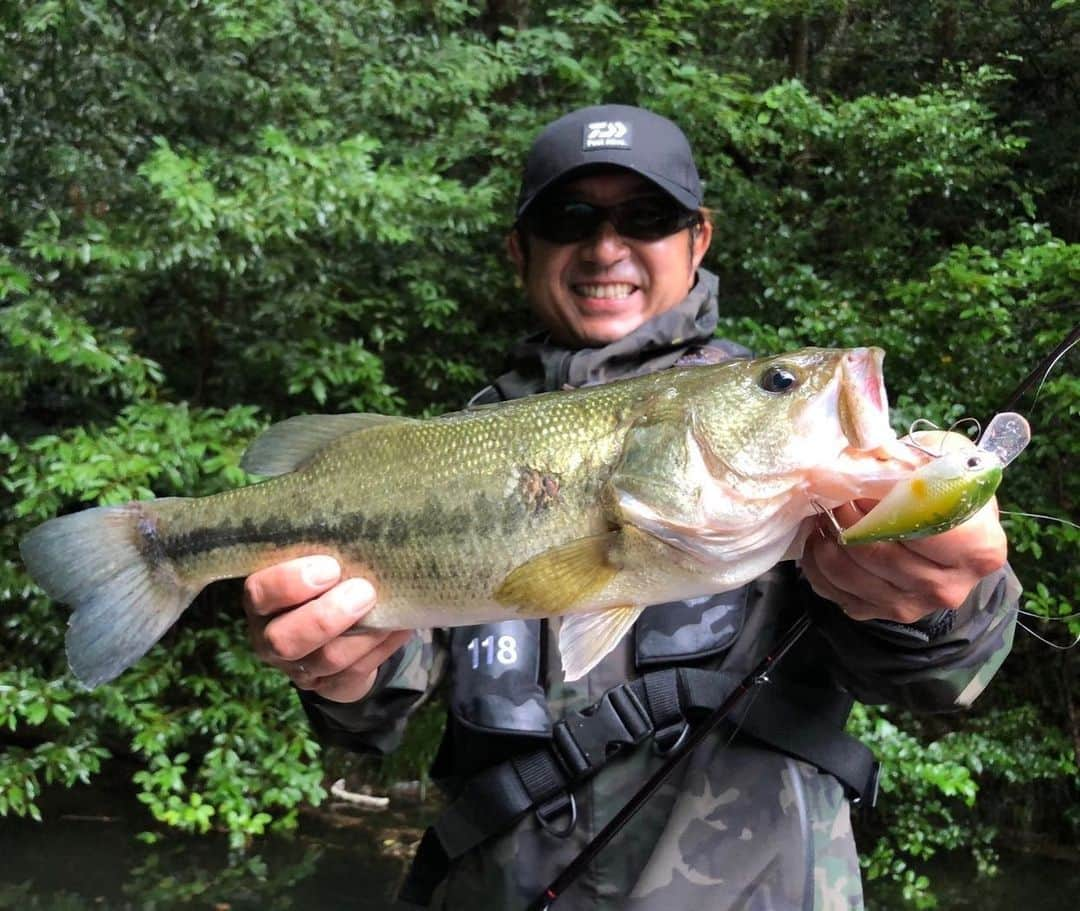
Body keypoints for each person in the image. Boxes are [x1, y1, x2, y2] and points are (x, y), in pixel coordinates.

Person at [242, 105, 1019, 910]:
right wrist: (340, 668)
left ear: (698, 239)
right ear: (521, 248)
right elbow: (384, 703)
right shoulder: (453, 443)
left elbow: (945, 673)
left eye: (646, 216)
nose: (606, 247)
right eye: (568, 217)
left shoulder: (778, 431)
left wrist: (939, 599)